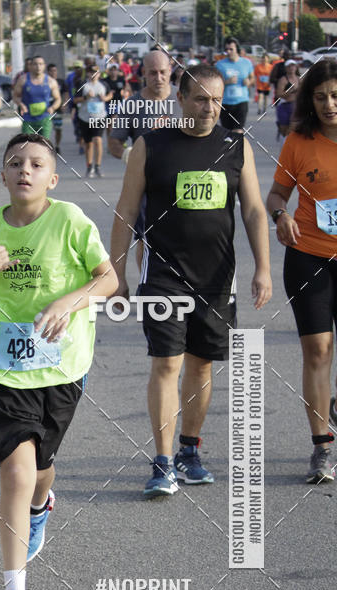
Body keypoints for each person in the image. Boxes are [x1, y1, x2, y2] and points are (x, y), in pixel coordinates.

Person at [0, 134, 118, 590]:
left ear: (52, 177)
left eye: (36, 163)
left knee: (41, 468)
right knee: (16, 475)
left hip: (62, 369)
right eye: (14, 163)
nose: (25, 169)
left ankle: (43, 504)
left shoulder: (69, 220)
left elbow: (108, 280)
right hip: (5, 370)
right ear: (3, 175)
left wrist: (69, 301)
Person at [110, 64, 272, 497]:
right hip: (164, 276)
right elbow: (125, 211)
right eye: (201, 98)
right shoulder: (151, 145)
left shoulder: (235, 146)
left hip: (217, 279)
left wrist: (263, 267)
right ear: (180, 99)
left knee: (201, 365)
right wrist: (117, 272)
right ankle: (162, 463)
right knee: (167, 362)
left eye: (217, 100)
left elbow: (254, 211)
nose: (209, 108)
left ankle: (189, 451)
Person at [266, 59, 337, 483]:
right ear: (311, 100)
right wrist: (280, 216)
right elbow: (277, 194)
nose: (330, 103)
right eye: (321, 96)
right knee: (318, 351)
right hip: (309, 256)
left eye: (336, 95)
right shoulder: (299, 141)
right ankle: (321, 448)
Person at [108, 49, 176, 272]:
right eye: (153, 73)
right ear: (143, 74)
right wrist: (130, 155)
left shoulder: (184, 99)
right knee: (146, 239)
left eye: (163, 72)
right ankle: (149, 282)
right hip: (147, 187)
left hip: (182, 182)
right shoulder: (132, 105)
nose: (159, 78)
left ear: (171, 70)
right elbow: (113, 143)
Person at [74, 65, 112, 177]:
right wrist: (85, 97)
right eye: (91, 72)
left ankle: (98, 166)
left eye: (96, 72)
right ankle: (89, 166)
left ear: (99, 74)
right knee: (88, 143)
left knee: (98, 140)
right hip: (85, 117)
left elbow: (110, 94)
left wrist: (105, 98)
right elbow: (75, 100)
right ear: (88, 74)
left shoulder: (103, 85)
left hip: (100, 117)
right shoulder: (83, 85)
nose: (93, 74)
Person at [13, 56, 61, 139]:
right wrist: (21, 105)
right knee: (28, 146)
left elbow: (58, 99)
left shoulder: (50, 81)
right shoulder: (23, 79)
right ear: (30, 66)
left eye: (40, 64)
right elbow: (15, 96)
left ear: (44, 66)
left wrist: (52, 107)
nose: (38, 66)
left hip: (45, 119)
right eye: (35, 64)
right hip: (28, 120)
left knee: (44, 145)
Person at [215, 37, 254, 131]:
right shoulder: (220, 64)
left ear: (237, 49)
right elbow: (215, 83)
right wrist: (226, 82)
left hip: (241, 101)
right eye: (226, 49)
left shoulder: (246, 63)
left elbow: (252, 78)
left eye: (231, 49)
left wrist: (248, 82)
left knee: (238, 131)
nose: (228, 52)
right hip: (225, 102)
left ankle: (237, 146)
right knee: (227, 133)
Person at [275, 60, 300, 139]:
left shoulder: (299, 79)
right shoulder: (283, 80)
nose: (291, 68)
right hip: (284, 106)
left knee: (293, 129)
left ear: (296, 67)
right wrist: (290, 92)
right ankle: (284, 146)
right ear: (286, 68)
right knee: (284, 130)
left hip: (296, 106)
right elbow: (278, 94)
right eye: (289, 66)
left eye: (293, 65)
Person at [47, 63, 65, 152]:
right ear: (48, 72)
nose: (53, 72)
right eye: (51, 71)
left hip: (58, 110)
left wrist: (64, 103)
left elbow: (66, 93)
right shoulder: (44, 82)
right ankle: (47, 147)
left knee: (58, 129)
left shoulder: (60, 82)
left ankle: (57, 145)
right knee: (47, 129)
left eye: (55, 70)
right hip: (47, 110)